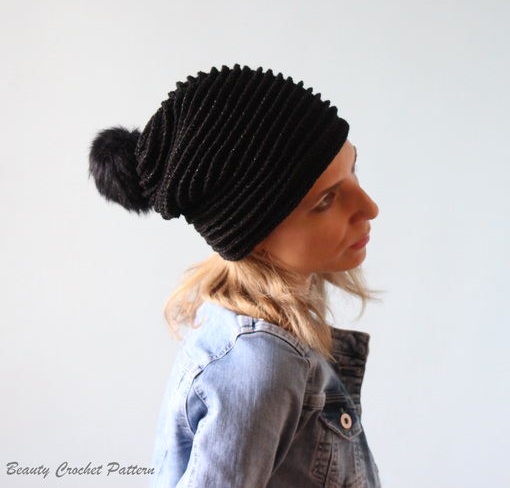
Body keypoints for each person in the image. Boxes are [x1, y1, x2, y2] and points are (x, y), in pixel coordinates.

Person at [89, 65, 381, 487]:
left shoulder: (256, 337)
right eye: (325, 201)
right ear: (253, 234)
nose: (369, 207)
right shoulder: (261, 367)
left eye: (352, 169)